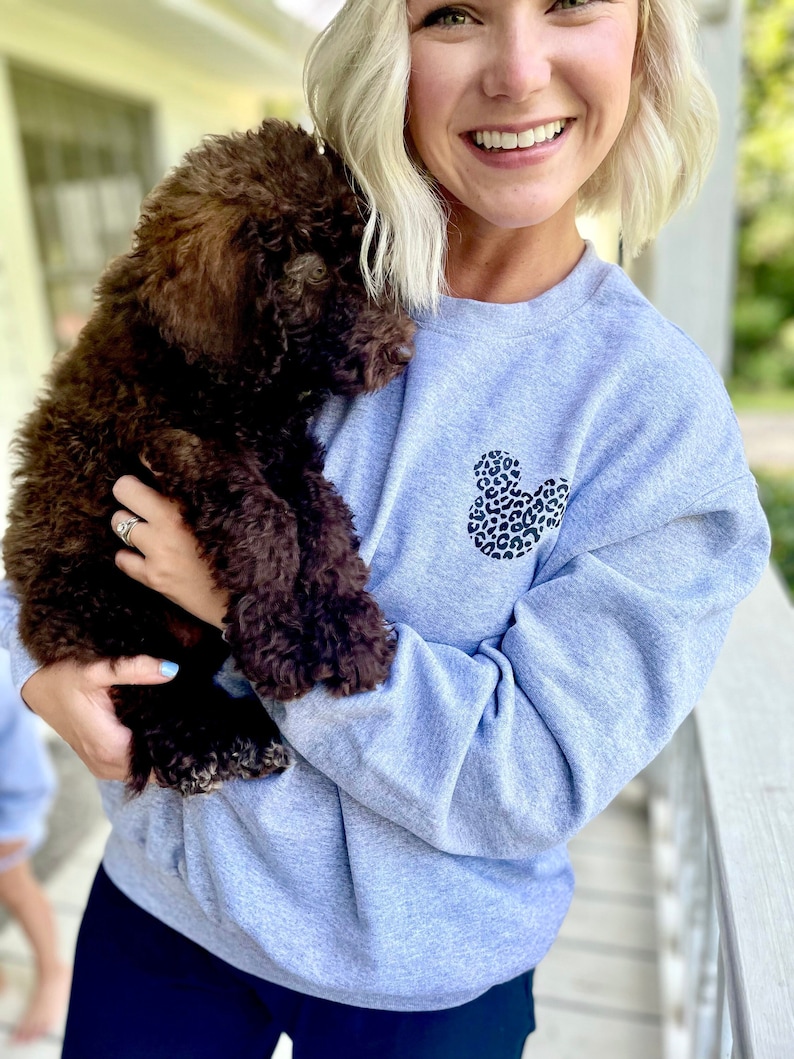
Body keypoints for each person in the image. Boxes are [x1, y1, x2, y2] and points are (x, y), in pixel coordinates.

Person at [0, 0, 771, 1055]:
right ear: (385, 46)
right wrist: (38, 663)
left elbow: (529, 775)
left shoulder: (656, 420)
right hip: (167, 906)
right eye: (452, 12)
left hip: (422, 978)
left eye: (568, 3)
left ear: (645, 36)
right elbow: (80, 454)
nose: (516, 71)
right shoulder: (274, 255)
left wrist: (240, 603)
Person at [0, 646, 70, 1044]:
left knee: (16, 888)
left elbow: (22, 766)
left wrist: (13, 827)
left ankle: (52, 970)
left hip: (3, 822)